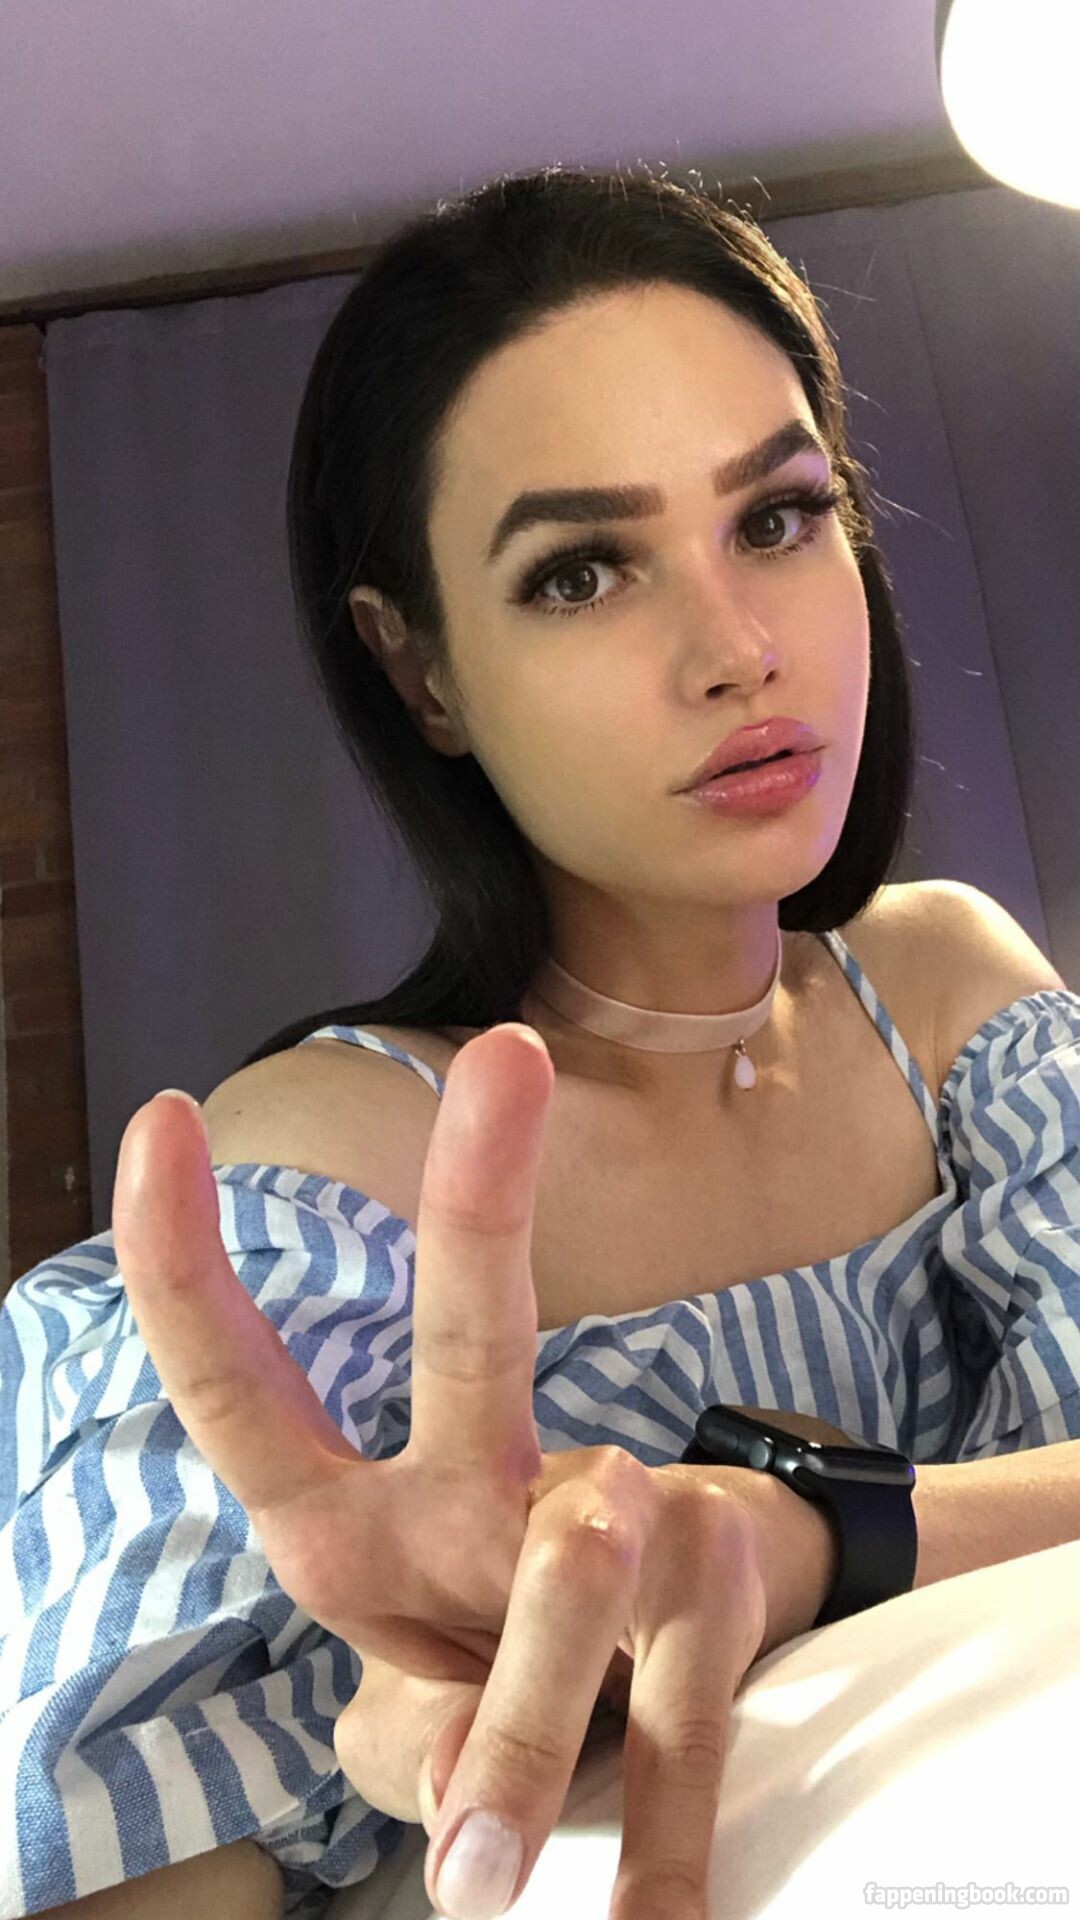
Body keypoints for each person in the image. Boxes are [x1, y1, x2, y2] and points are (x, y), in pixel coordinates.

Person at [2, 163, 1078, 1920]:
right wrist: (379, 1736)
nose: (738, 648)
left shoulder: (954, 999)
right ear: (419, 671)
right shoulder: (317, 1182)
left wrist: (813, 1534)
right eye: (582, 572)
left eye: (778, 517)